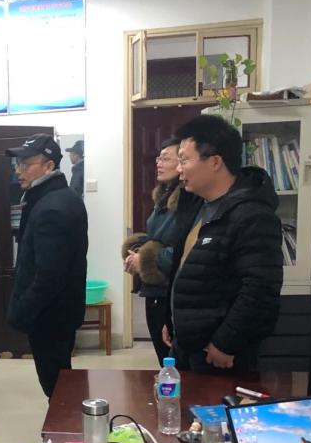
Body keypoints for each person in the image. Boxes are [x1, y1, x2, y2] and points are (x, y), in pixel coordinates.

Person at [167, 114, 283, 373]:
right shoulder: (196, 205)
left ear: (215, 162)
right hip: (189, 345)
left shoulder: (252, 215)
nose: (179, 169)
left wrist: (225, 343)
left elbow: (260, 290)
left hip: (220, 354)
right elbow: (184, 267)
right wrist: (172, 319)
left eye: (184, 160)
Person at [7, 133, 88, 399]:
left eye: (25, 164)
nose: (18, 170)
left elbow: (49, 276)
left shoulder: (52, 208)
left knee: (58, 388)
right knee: (62, 384)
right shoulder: (55, 198)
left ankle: (69, 426)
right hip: (58, 313)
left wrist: (22, 311)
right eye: (18, 164)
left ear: (49, 166)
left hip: (50, 316)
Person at [121, 137, 201, 366]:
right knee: (165, 360)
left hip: (170, 291)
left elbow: (184, 250)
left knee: (175, 363)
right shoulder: (164, 197)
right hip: (155, 290)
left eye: (166, 158)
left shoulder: (189, 201)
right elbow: (156, 238)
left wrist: (146, 259)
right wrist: (136, 253)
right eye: (158, 158)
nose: (158, 163)